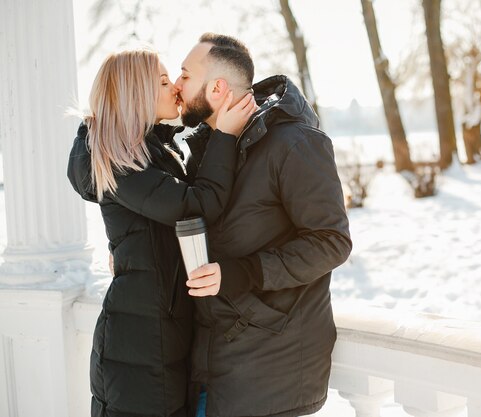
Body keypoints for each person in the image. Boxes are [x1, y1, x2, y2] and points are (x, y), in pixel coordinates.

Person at [66, 48, 257, 417]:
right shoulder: (121, 160)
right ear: (137, 92)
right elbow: (197, 207)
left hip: (159, 336)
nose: (175, 89)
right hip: (138, 349)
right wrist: (225, 137)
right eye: (164, 81)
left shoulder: (151, 149)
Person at [175, 33, 353, 417]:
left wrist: (244, 273)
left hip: (269, 373)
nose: (176, 85)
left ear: (217, 87)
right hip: (213, 364)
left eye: (185, 76)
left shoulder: (294, 143)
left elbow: (332, 242)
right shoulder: (210, 150)